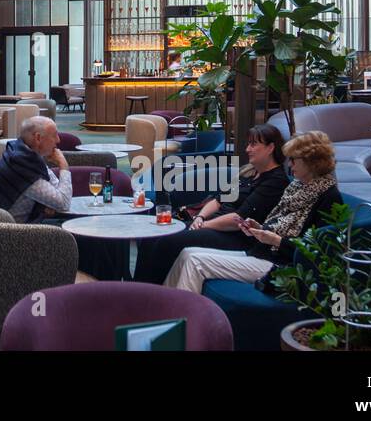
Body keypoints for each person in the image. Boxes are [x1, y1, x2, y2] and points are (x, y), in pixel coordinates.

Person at [163, 131, 342, 294]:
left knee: (195, 262)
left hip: (281, 264)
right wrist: (260, 229)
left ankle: (184, 322)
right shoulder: (297, 187)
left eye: (295, 159)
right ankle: (167, 311)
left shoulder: (327, 196)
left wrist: (273, 239)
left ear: (312, 161)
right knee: (187, 253)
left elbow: (317, 251)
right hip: (262, 251)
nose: (290, 164)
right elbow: (276, 224)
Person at [134, 124, 289, 284]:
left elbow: (238, 219)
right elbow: (217, 199)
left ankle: (151, 294)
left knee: (168, 241)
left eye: (254, 144)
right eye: (248, 143)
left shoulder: (276, 181)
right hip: (212, 224)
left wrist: (205, 224)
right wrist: (200, 217)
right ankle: (137, 290)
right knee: (152, 235)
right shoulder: (249, 172)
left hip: (235, 236)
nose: (248, 149)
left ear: (270, 148)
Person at [0, 116, 71, 222]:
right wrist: (63, 165)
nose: (58, 140)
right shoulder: (21, 166)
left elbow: (56, 190)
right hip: (2, 232)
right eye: (54, 135)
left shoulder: (26, 156)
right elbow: (64, 203)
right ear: (38, 138)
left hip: (15, 226)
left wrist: (47, 204)